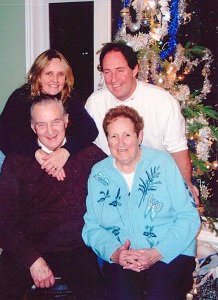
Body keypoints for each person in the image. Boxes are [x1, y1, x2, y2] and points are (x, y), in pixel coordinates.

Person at [0, 96, 107, 300]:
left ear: (66, 120)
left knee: (100, 294)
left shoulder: (89, 155)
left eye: (56, 122)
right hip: (28, 245)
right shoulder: (16, 162)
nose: (50, 131)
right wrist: (33, 260)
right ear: (33, 127)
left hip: (75, 247)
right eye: (42, 125)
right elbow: (5, 223)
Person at [82, 105, 201, 300]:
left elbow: (188, 217)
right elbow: (92, 227)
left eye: (127, 135)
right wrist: (115, 253)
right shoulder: (99, 173)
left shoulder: (163, 164)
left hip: (170, 252)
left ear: (140, 136)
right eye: (113, 136)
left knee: (160, 295)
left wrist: (157, 252)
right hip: (124, 258)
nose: (121, 143)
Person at [85, 42, 199, 203]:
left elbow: (178, 150)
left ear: (135, 69)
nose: (113, 79)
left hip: (156, 185)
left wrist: (184, 187)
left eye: (120, 70)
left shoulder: (162, 101)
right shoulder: (94, 103)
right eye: (107, 72)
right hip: (115, 186)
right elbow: (89, 148)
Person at [0, 49, 98, 180]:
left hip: (52, 153)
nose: (55, 80)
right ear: (38, 75)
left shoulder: (69, 97)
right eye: (49, 73)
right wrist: (35, 152)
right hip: (20, 156)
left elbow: (90, 130)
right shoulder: (20, 97)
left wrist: (66, 151)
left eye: (60, 74)